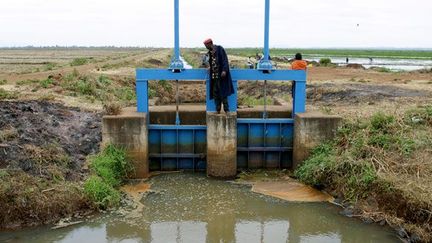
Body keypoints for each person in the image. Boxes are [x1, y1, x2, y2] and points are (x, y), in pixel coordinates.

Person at [204, 38, 234, 114]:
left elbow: (225, 60)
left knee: (223, 93)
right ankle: (218, 110)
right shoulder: (209, 53)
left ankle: (226, 110)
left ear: (210, 43)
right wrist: (208, 66)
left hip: (221, 77)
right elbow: (205, 61)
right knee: (215, 93)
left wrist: (224, 70)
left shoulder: (220, 49)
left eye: (206, 45)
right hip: (214, 77)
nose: (206, 47)